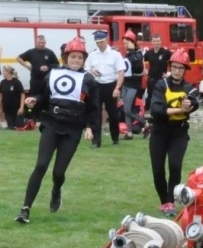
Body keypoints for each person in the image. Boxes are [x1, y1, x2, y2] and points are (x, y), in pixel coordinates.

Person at [17, 36, 99, 223]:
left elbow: (93, 107)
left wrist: (89, 127)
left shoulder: (89, 80)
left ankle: (56, 190)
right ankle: (25, 209)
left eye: (80, 57)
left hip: (73, 129)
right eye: (73, 56)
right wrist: (35, 101)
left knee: (58, 173)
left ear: (84, 59)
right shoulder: (53, 74)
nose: (76, 60)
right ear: (66, 57)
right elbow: (44, 97)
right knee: (41, 165)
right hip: (52, 124)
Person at [146, 47, 200, 213]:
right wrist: (180, 110)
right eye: (174, 67)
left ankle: (170, 201)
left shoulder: (189, 88)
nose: (177, 71)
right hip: (159, 132)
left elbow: (194, 101)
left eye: (181, 68)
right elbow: (156, 109)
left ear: (185, 70)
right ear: (170, 67)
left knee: (175, 165)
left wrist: (189, 105)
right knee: (158, 169)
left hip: (179, 133)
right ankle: (164, 200)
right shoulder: (161, 85)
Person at [85, 29, 129, 145]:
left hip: (111, 85)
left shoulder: (115, 54)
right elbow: (86, 68)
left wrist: (117, 88)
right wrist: (92, 71)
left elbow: (121, 72)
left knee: (113, 114)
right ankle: (96, 140)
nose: (99, 44)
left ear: (106, 40)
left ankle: (115, 138)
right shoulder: (92, 55)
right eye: (97, 42)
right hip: (97, 85)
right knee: (96, 113)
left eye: (101, 41)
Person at [120, 31, 146, 135]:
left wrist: (131, 50)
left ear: (132, 42)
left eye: (126, 42)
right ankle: (129, 132)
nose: (125, 45)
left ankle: (145, 123)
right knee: (126, 109)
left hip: (133, 85)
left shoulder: (138, 53)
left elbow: (138, 66)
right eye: (124, 43)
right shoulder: (128, 54)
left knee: (127, 110)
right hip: (126, 84)